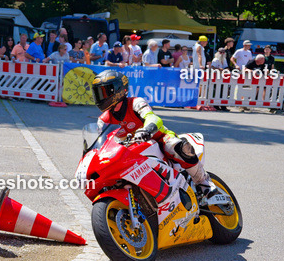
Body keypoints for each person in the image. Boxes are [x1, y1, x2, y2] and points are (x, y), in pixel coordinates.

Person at [91, 70, 216, 206]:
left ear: (118, 90)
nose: (100, 97)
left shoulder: (136, 103)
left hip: (157, 139)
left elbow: (152, 117)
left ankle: (204, 182)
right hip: (129, 151)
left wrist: (147, 130)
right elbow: (102, 144)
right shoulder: (103, 120)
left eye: (103, 92)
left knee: (176, 146)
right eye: (98, 93)